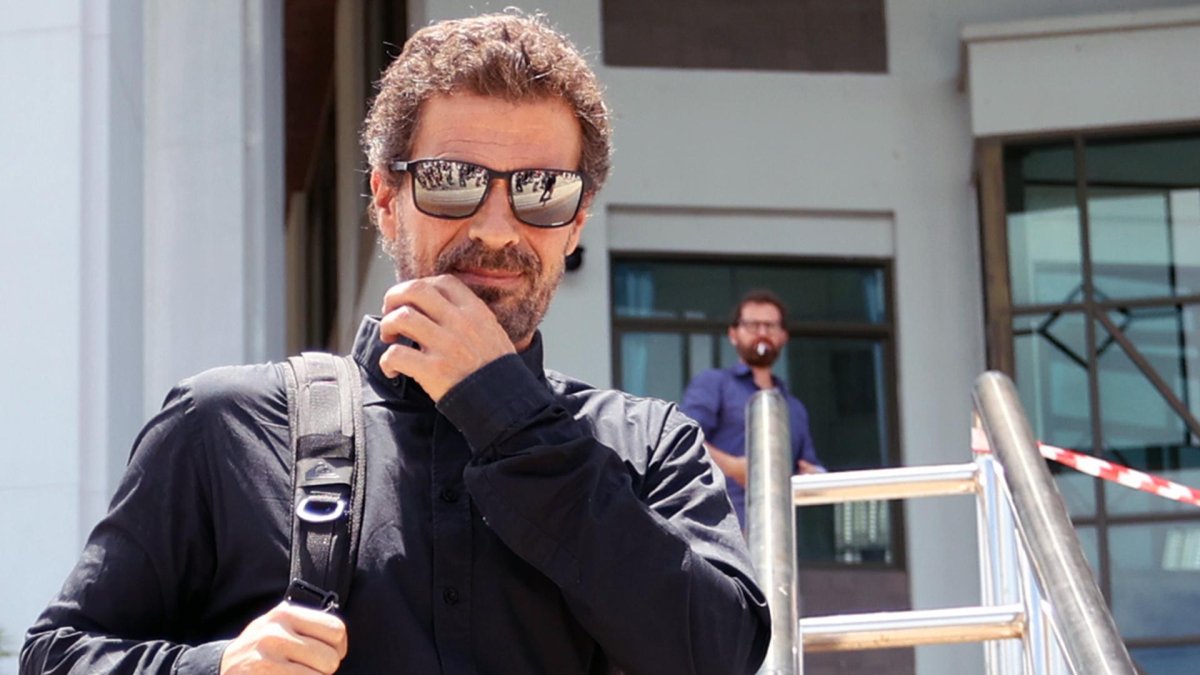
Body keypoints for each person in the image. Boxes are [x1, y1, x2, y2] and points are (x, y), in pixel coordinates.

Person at [21, 13, 770, 675]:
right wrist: (219, 667)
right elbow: (55, 654)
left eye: (542, 190)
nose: (498, 227)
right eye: (452, 180)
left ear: (577, 222)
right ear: (385, 197)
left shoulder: (646, 447)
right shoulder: (224, 423)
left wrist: (509, 417)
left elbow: (720, 654)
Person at [681, 290, 824, 530]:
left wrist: (815, 477)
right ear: (733, 334)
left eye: (770, 326)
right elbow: (684, 439)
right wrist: (733, 467)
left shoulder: (794, 407)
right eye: (752, 325)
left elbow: (808, 466)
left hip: (776, 533)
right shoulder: (714, 384)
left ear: (783, 335)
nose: (762, 333)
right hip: (717, 530)